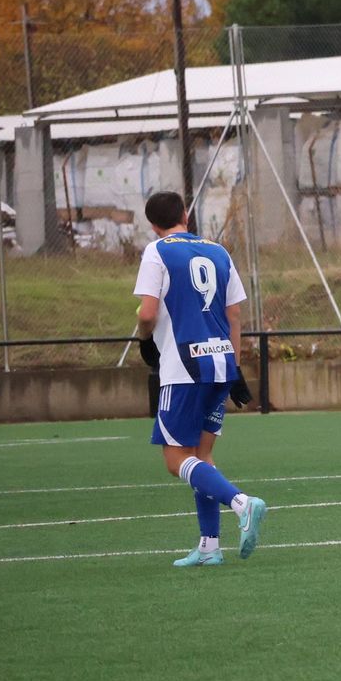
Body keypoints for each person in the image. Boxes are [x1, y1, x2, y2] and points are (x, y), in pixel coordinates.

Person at [132, 191, 265, 567]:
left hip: (183, 367)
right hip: (220, 363)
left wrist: (145, 340)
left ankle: (242, 503)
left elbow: (146, 313)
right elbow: (235, 314)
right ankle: (209, 546)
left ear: (153, 225)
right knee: (202, 457)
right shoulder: (219, 251)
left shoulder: (157, 251)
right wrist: (235, 366)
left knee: (176, 459)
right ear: (186, 215)